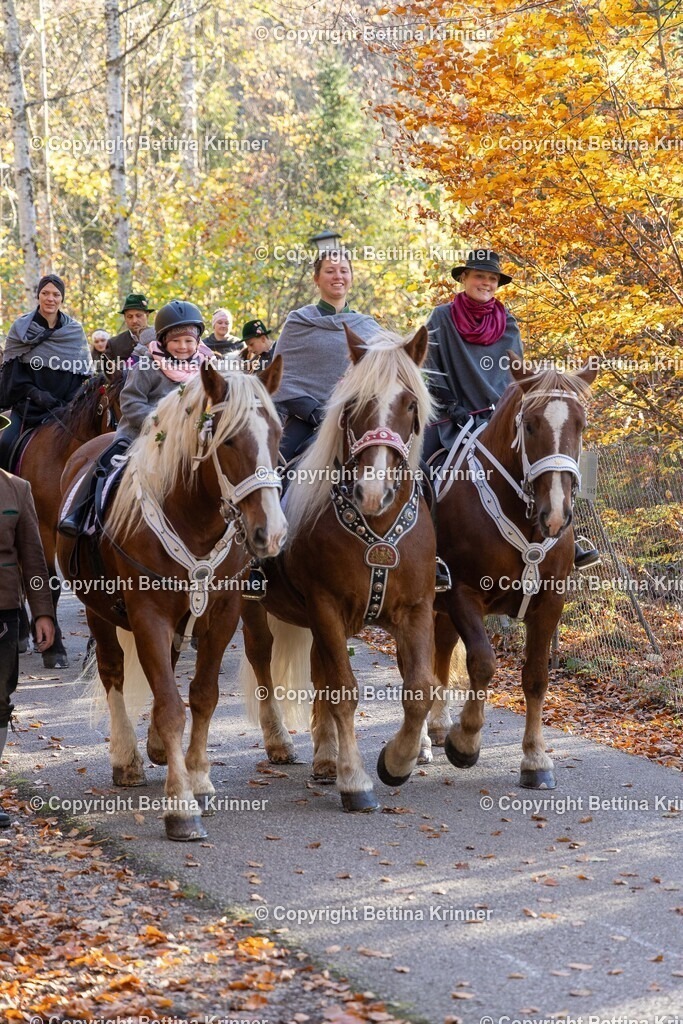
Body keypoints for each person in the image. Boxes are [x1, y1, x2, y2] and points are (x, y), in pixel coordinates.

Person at [424, 249, 600, 570]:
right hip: (451, 418)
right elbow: (429, 370)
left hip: (500, 417)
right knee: (418, 466)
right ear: (464, 278)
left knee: (555, 457)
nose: (486, 283)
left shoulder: (508, 323)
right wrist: (453, 407)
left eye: (492, 278)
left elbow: (517, 377)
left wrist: (505, 412)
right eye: (479, 276)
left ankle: (571, 538)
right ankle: (426, 550)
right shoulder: (441, 318)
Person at [58, 301, 213, 537]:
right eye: (176, 341)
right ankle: (79, 513)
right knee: (106, 462)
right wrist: (160, 423)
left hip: (194, 436)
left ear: (197, 342)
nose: (183, 346)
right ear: (163, 341)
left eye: (189, 341)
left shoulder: (206, 368)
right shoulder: (148, 365)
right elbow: (130, 402)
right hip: (142, 432)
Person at [273, 250, 380, 463]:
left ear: (351, 277)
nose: (337, 276)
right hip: (308, 420)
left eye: (343, 271)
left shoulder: (370, 328)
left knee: (414, 469)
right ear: (317, 279)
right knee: (275, 469)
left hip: (361, 420)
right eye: (330, 271)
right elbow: (280, 377)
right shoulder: (298, 322)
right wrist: (313, 412)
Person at [0, 414, 55, 828]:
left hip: (3, 613)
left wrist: (42, 612)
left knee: (0, 701)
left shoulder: (16, 488)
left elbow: (34, 558)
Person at [0, 274, 91, 470]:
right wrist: (36, 394)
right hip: (29, 408)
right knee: (4, 443)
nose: (50, 299)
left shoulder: (74, 332)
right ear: (38, 296)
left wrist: (69, 401)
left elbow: (81, 375)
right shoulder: (20, 329)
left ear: (62, 298)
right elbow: (12, 374)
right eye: (45, 293)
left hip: (65, 409)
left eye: (56, 294)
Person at [105, 293, 155, 369]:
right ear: (125, 318)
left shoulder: (159, 337)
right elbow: (106, 373)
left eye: (139, 315)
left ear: (147, 315)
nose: (134, 320)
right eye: (130, 317)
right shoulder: (114, 344)